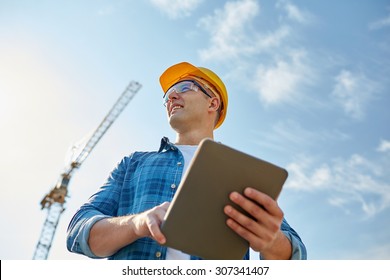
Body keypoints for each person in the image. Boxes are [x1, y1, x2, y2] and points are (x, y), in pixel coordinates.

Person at [66, 62, 307, 260]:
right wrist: (137, 224)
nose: (171, 96)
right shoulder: (133, 164)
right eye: (167, 95)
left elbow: (294, 255)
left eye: (184, 86)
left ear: (213, 103)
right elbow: (78, 231)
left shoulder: (243, 176)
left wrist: (272, 241)